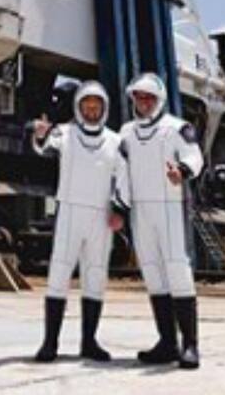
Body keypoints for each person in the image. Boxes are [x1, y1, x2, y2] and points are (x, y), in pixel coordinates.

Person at [30, 81, 131, 363]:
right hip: (70, 211)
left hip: (101, 216)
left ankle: (89, 342)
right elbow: (44, 148)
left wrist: (120, 210)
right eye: (86, 105)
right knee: (58, 276)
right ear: (79, 107)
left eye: (96, 106)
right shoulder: (65, 132)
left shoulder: (115, 141)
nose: (91, 110)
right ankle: (50, 342)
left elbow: (123, 178)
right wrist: (40, 135)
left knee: (95, 278)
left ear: (104, 109)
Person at [119, 72, 205, 370]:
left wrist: (181, 170)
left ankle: (190, 345)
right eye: (138, 97)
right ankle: (167, 343)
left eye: (148, 98)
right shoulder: (127, 133)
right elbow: (118, 166)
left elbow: (195, 156)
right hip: (140, 209)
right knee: (153, 273)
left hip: (169, 206)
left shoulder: (177, 128)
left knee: (177, 269)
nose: (143, 102)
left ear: (159, 100)